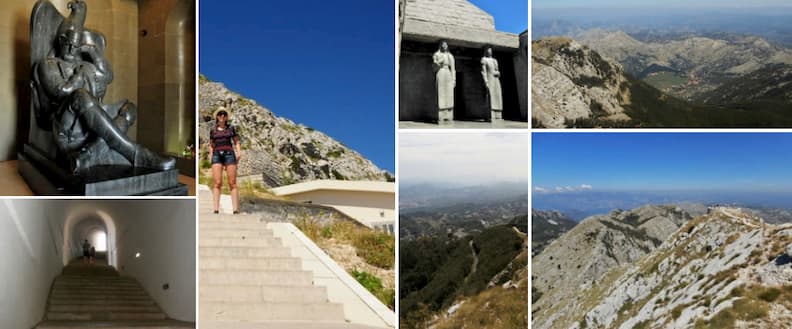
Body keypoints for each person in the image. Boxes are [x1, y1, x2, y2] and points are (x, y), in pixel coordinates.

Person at [209, 107, 242, 214]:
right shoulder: (213, 131)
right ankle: (215, 209)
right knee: (217, 182)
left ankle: (236, 209)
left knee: (232, 183)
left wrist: (239, 153)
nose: (222, 116)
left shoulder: (231, 129)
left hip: (229, 154)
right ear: (217, 117)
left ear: (227, 117)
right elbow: (211, 145)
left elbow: (236, 142)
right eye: (220, 114)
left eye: (224, 114)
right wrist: (210, 155)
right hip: (216, 155)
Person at [433, 40, 456, 124]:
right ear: (440, 45)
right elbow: (434, 67)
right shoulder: (437, 54)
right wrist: (440, 61)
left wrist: (454, 79)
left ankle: (449, 115)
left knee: (449, 94)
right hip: (440, 72)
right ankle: (441, 115)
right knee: (441, 92)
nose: (444, 46)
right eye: (443, 44)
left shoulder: (450, 56)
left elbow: (453, 69)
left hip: (448, 73)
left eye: (446, 44)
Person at [481, 46, 503, 121]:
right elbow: (484, 72)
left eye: (490, 50)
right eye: (488, 50)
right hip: (490, 78)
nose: (489, 51)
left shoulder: (494, 60)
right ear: (486, 51)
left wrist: (497, 73)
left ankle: (498, 115)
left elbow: (497, 71)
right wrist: (486, 81)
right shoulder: (484, 59)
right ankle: (490, 115)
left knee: (498, 95)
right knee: (491, 96)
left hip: (496, 79)